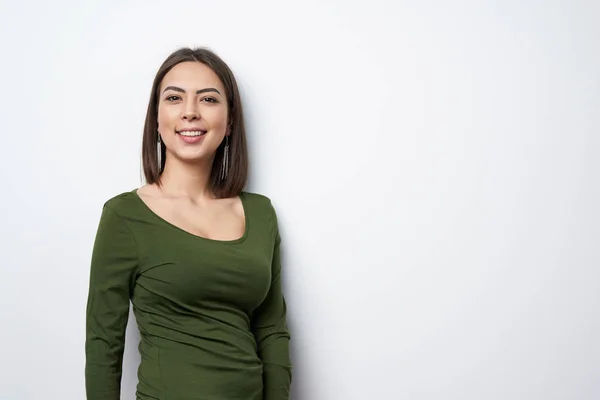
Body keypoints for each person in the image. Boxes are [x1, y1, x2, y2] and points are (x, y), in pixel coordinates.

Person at [85, 47, 292, 400]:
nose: (190, 112)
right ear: (156, 118)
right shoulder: (124, 216)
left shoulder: (261, 214)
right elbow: (104, 342)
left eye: (208, 99)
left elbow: (271, 329)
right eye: (174, 98)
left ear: (229, 122)